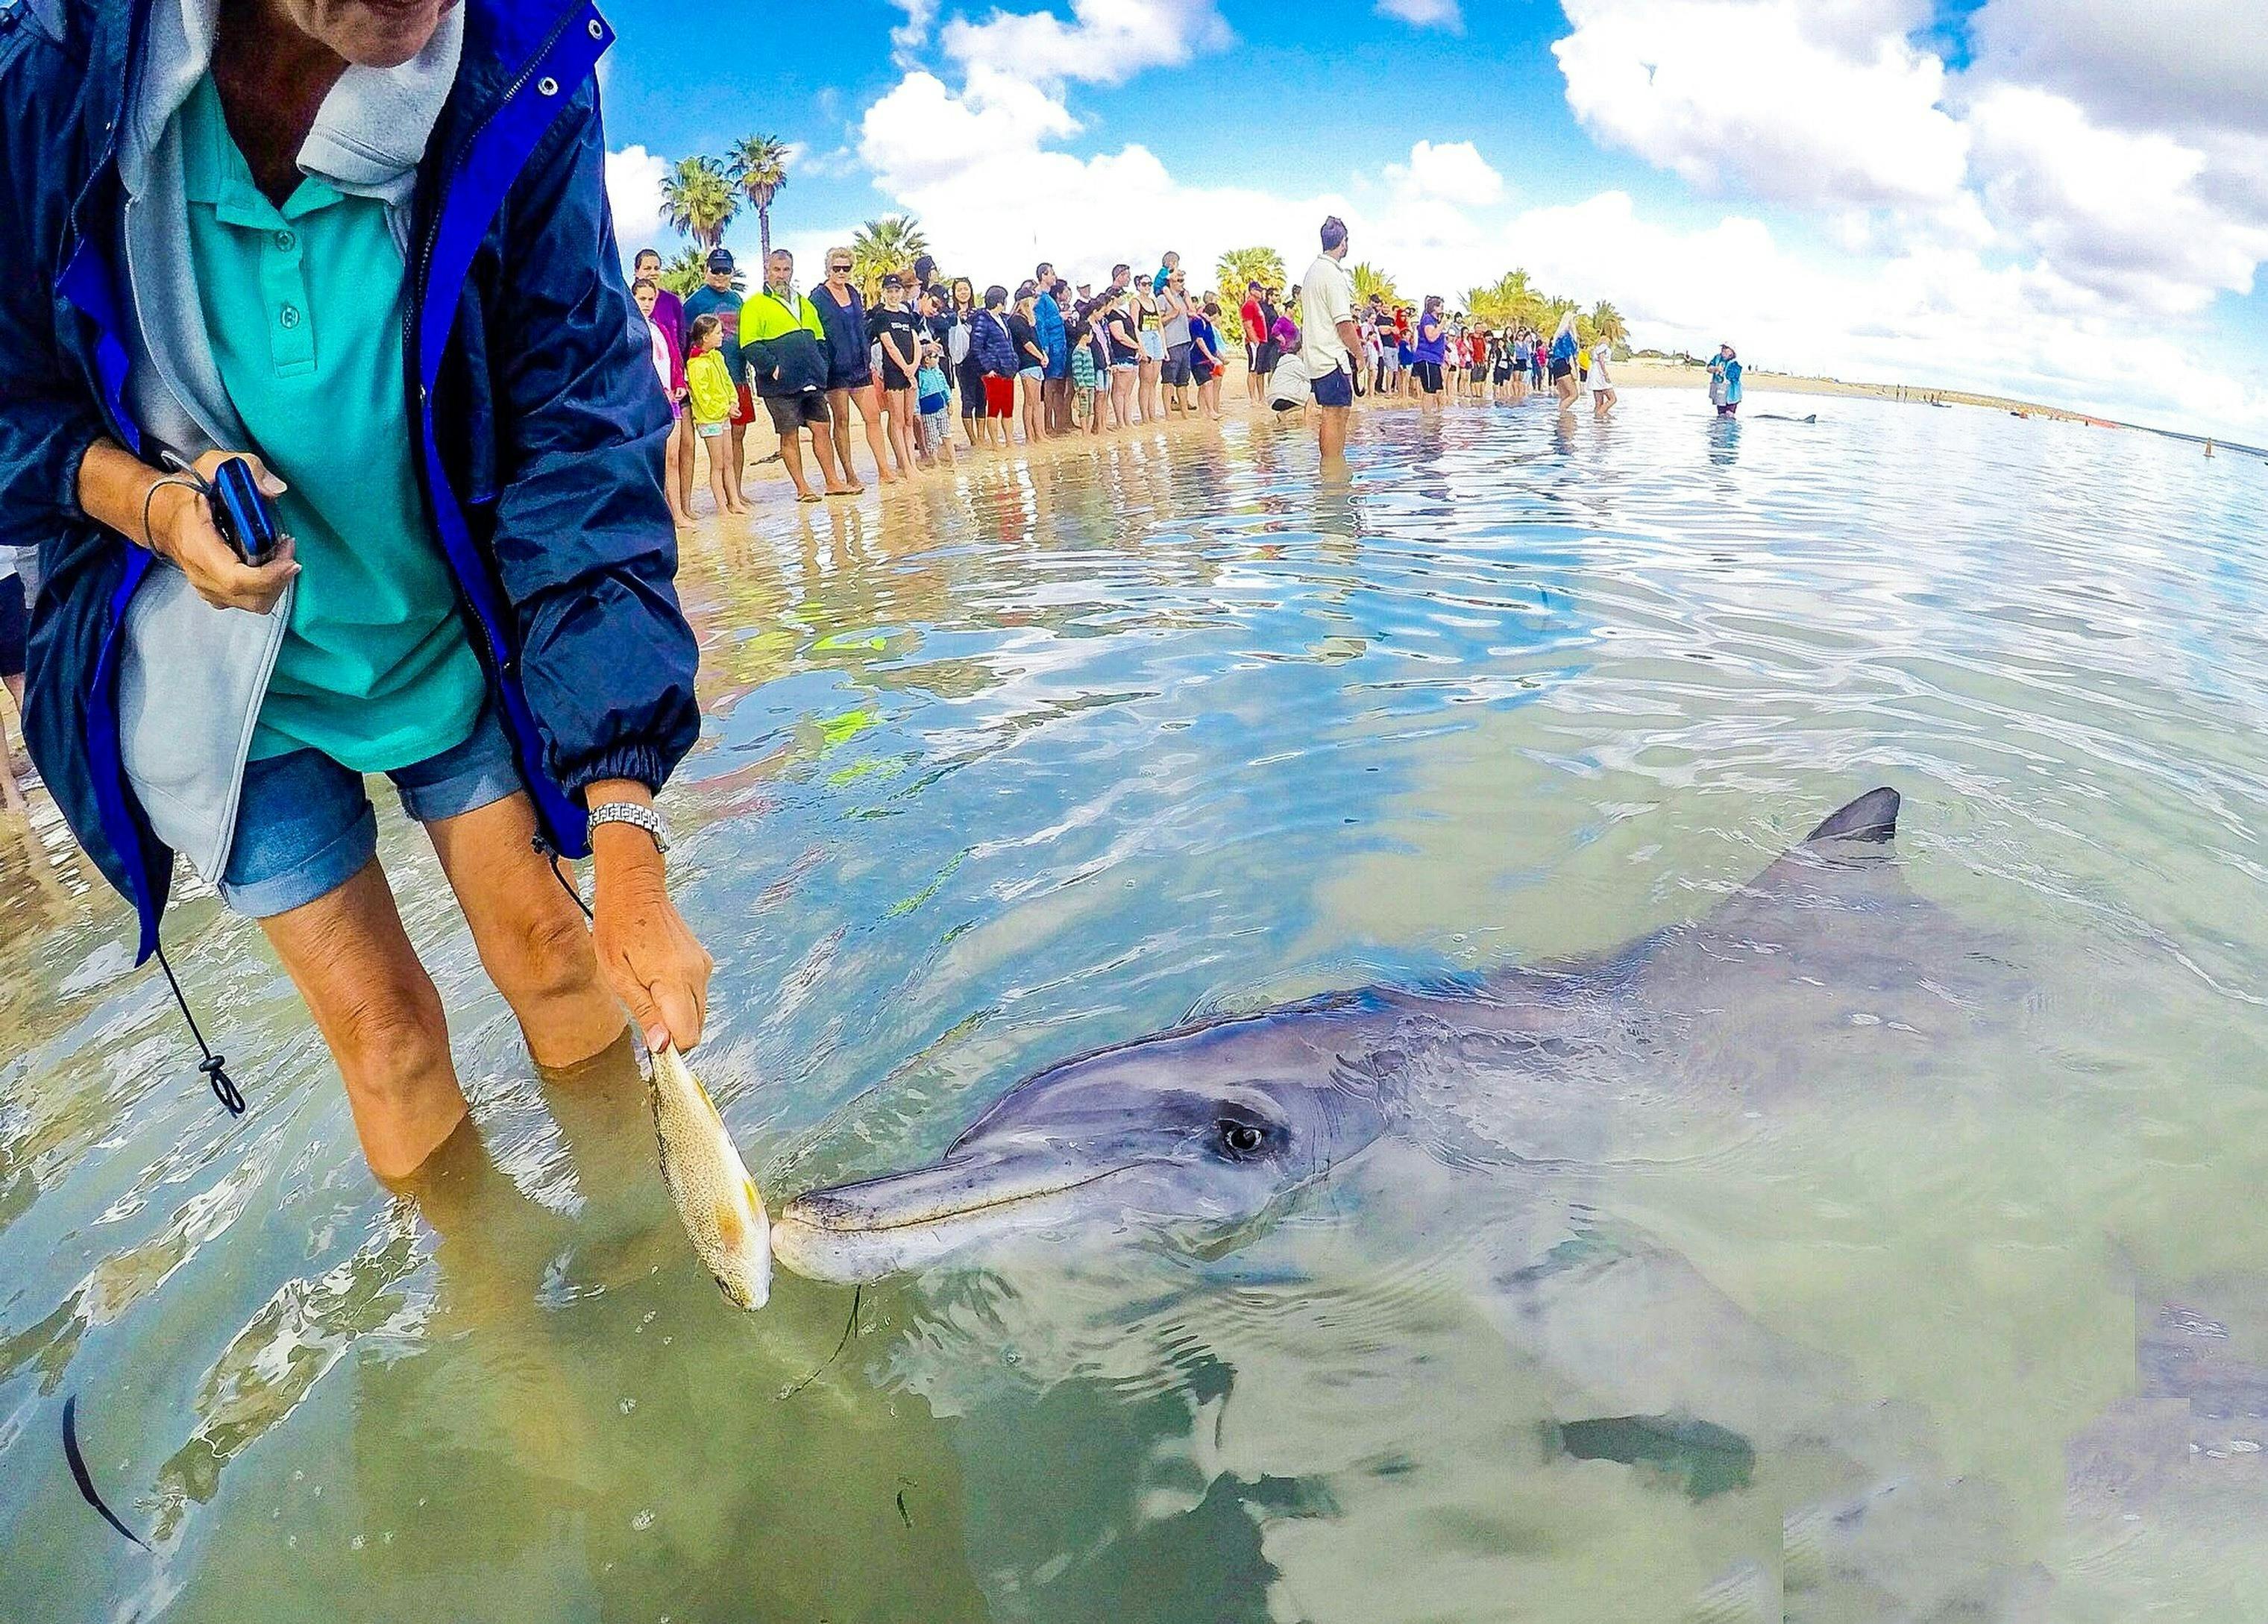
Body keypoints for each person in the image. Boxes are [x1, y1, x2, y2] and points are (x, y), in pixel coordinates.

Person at [5, 0, 712, 1183]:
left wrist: (630, 838)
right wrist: (150, 503)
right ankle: (507, 1355)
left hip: (435, 626)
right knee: (384, 1039)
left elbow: (579, 439)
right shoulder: (46, 74)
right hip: (213, 670)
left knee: (552, 945)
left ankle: (643, 1255)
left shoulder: (520, 69)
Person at [741, 250, 849, 504]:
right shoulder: (755, 304)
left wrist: (821, 366)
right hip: (779, 385)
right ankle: (802, 488)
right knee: (789, 434)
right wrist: (773, 367)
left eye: (786, 270)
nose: (781, 275)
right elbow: (750, 344)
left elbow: (820, 339)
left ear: (792, 271)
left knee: (822, 428)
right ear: (767, 271)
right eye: (777, 270)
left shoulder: (804, 302)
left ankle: (832, 481)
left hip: (811, 379)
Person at [813, 247, 894, 491]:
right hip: (835, 369)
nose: (840, 272)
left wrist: (868, 356)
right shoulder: (818, 297)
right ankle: (850, 474)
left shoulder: (854, 293)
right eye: (836, 268)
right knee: (842, 420)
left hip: (860, 365)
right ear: (828, 268)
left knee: (873, 416)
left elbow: (862, 327)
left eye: (845, 268)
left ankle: (884, 470)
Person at [632, 248, 694, 519]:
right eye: (642, 299)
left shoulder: (661, 327)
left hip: (673, 400)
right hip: (649, 401)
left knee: (674, 456)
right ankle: (662, 514)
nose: (646, 303)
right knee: (653, 459)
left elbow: (674, 357)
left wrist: (679, 384)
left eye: (650, 299)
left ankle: (679, 512)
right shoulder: (629, 328)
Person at [682, 249, 753, 489]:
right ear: (706, 271)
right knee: (717, 439)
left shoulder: (737, 300)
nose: (721, 275)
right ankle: (722, 495)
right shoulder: (694, 303)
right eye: (716, 269)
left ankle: (736, 491)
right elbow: (684, 340)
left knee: (738, 434)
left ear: (732, 272)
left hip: (737, 375)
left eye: (726, 270)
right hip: (709, 380)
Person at [1299, 217, 1361, 461]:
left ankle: (1331, 467)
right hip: (1331, 356)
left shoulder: (1313, 272)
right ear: (1343, 243)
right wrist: (1359, 354)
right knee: (1336, 414)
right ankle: (1333, 468)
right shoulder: (1332, 275)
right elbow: (1344, 324)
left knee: (1332, 413)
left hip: (1317, 355)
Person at [685, 315, 746, 515]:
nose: (722, 336)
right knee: (717, 463)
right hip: (709, 419)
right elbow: (703, 397)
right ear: (705, 337)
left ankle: (734, 501)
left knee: (728, 460)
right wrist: (723, 408)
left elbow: (727, 381)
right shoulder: (695, 365)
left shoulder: (716, 357)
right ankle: (721, 505)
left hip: (723, 416)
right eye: (718, 333)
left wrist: (733, 400)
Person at [868, 274, 924, 476]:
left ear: (902, 292)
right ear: (884, 293)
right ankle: (905, 465)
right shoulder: (882, 316)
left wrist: (914, 366)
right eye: (890, 291)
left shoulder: (907, 316)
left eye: (897, 291)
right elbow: (889, 345)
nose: (893, 295)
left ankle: (912, 463)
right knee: (897, 419)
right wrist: (905, 368)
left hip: (912, 370)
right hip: (894, 373)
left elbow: (916, 341)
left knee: (909, 419)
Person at [973, 286, 1020, 451]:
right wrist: (988, 368)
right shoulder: (983, 320)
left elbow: (1009, 343)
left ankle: (1009, 441)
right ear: (999, 301)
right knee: (994, 408)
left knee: (1008, 407)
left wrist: (1014, 362)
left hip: (1007, 369)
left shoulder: (1002, 319)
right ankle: (995, 443)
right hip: (993, 371)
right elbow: (977, 347)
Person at [946, 278, 984, 451]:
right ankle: (973, 439)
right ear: (954, 293)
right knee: (967, 399)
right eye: (960, 289)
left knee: (982, 398)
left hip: (980, 360)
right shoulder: (949, 313)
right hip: (962, 362)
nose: (963, 292)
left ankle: (982, 437)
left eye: (966, 289)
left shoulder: (978, 312)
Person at [1008, 283, 1047, 446]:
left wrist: (1043, 355)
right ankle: (1030, 436)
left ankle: (1040, 434)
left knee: (1037, 402)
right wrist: (1040, 356)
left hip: (1036, 362)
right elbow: (1026, 344)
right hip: (1027, 364)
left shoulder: (1027, 320)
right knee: (1031, 401)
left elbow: (1035, 341)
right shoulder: (1017, 320)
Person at [1034, 263, 1071, 437]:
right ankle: (1047, 425)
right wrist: (1059, 318)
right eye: (1052, 274)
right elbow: (1039, 324)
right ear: (1043, 275)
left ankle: (1059, 423)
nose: (1055, 277)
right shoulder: (1040, 297)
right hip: (1051, 347)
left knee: (1058, 386)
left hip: (1059, 347)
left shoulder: (1049, 297)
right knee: (1049, 386)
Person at [1101, 291, 1143, 430]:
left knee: (1128, 392)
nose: (1124, 297)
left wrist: (1140, 348)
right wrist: (1137, 346)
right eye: (1121, 295)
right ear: (1113, 298)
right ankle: (1121, 421)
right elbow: (1120, 336)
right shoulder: (1112, 315)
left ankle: (1128, 419)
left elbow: (1134, 331)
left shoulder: (1124, 313)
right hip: (1121, 355)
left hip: (1132, 355)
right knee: (1120, 389)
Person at [1158, 268, 1196, 416]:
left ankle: (1185, 413)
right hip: (1171, 343)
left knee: (1183, 381)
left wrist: (1187, 298)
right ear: (1171, 282)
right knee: (1168, 380)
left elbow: (1192, 313)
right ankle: (1168, 413)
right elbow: (1159, 321)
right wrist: (1172, 315)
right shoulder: (1163, 299)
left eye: (1183, 281)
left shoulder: (1181, 298)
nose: (1182, 283)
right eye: (1179, 280)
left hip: (1185, 342)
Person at [914, 341, 955, 469]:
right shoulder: (920, 375)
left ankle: (953, 460)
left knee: (947, 434)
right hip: (927, 412)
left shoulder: (938, 372)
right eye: (935, 357)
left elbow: (945, 387)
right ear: (927, 359)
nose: (938, 359)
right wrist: (917, 411)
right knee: (931, 438)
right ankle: (936, 462)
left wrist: (950, 402)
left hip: (941, 407)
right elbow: (917, 394)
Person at [1190, 300, 1227, 421]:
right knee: (1207, 383)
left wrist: (1220, 358)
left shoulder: (1208, 324)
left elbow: (1212, 344)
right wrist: (1210, 357)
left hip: (1208, 360)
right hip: (1198, 360)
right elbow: (1199, 341)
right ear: (1214, 314)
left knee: (1203, 386)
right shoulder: (1198, 322)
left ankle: (1203, 412)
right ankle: (1211, 411)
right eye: (1216, 317)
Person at [1069, 309, 1102, 434]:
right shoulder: (1078, 351)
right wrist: (1081, 386)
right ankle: (1084, 431)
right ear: (1085, 336)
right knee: (1083, 407)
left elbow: (1091, 368)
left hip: (1090, 383)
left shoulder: (1087, 350)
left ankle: (1087, 429)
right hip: (1083, 385)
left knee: (1089, 407)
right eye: (1091, 334)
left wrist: (1093, 382)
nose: (1092, 337)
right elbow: (1077, 371)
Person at [1413, 297, 1448, 404]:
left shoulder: (1435, 321)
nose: (1442, 307)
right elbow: (1431, 337)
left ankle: (1438, 417)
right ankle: (1427, 418)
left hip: (1435, 359)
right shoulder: (1427, 319)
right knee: (1430, 391)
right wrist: (1442, 324)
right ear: (1433, 307)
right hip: (1426, 358)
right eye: (1440, 305)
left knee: (1439, 390)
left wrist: (1444, 358)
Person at [1240, 282, 1269, 405]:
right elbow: (1248, 325)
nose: (1261, 292)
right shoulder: (1248, 305)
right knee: (1253, 370)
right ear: (1252, 290)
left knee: (1260, 371)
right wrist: (1255, 341)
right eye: (1259, 290)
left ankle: (1261, 396)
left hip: (1262, 341)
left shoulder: (1256, 305)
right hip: (1254, 343)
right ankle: (1253, 398)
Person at [1549, 312, 1581, 408]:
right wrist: (1574, 370)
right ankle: (1562, 412)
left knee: (1564, 396)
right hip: (1563, 364)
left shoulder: (1558, 335)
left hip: (1556, 365)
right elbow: (1569, 354)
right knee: (1574, 394)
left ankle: (1562, 419)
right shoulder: (1566, 336)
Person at [1709, 344, 1744, 417]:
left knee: (1729, 414)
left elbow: (1734, 377)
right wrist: (1716, 369)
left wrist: (1726, 373)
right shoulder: (1717, 358)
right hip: (1720, 392)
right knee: (1721, 415)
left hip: (1732, 394)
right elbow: (1709, 368)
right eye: (1723, 348)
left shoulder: (1735, 362)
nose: (1723, 349)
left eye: (1726, 348)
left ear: (1731, 352)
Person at [1590, 337, 1618, 418]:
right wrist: (1605, 374)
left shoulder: (1596, 348)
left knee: (1598, 403)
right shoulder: (1604, 347)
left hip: (1595, 373)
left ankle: (1598, 421)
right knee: (1613, 399)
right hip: (1600, 373)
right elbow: (1601, 360)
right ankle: (1601, 413)